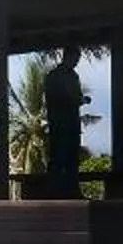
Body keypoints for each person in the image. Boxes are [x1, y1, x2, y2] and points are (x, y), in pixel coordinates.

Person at [42, 48, 86, 197]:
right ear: (69, 56)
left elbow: (75, 97)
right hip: (62, 124)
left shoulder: (68, 76)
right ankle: (57, 191)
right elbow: (60, 98)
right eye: (76, 59)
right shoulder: (59, 76)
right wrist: (76, 100)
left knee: (68, 158)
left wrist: (79, 100)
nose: (76, 62)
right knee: (61, 158)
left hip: (66, 123)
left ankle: (69, 190)